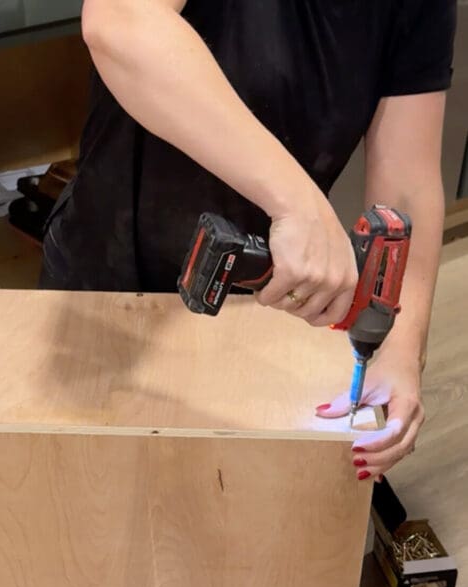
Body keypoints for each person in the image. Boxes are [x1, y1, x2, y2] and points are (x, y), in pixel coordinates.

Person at [40, 0, 457, 482]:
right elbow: (121, 22)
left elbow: (406, 187)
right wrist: (300, 205)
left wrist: (402, 351)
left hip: (255, 316)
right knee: (87, 502)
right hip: (105, 288)